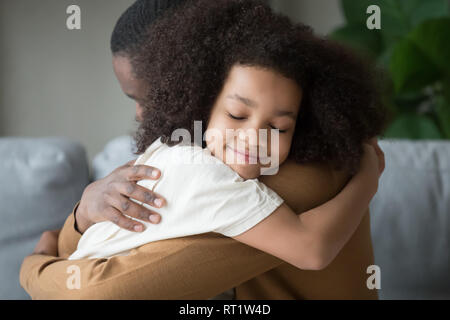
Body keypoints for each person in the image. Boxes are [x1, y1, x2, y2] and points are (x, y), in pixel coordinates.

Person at [20, 0, 385, 299]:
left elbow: (98, 293)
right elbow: (80, 248)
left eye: (152, 94)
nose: (144, 113)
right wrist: (84, 213)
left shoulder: (286, 174)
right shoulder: (198, 152)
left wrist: (34, 265)